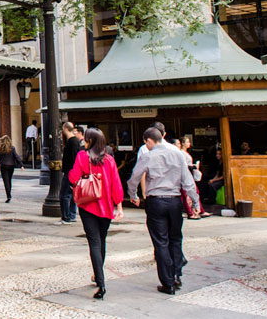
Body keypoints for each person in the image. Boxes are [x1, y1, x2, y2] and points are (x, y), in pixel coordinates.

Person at [127, 127, 199, 295]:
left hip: (156, 201)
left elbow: (133, 178)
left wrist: (133, 194)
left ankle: (167, 282)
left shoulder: (148, 156)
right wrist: (194, 200)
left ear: (149, 141)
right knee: (175, 238)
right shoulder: (177, 153)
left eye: (146, 143)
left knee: (161, 241)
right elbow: (187, 180)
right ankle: (176, 275)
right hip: (174, 200)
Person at [69, 128, 124, 300]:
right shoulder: (109, 159)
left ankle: (100, 282)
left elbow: (73, 178)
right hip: (106, 206)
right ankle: (98, 275)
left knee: (93, 242)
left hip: (88, 205)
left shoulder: (82, 157)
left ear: (90, 141)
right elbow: (116, 183)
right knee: (101, 241)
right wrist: (119, 206)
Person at [59, 122, 81, 224]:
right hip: (72, 172)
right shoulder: (74, 141)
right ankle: (71, 215)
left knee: (64, 195)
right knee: (71, 195)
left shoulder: (72, 142)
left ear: (65, 129)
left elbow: (74, 158)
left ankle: (66, 217)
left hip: (70, 172)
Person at [0, 136, 22, 203]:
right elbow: (16, 156)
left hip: (3, 166)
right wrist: (21, 164)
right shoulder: (12, 148)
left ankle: (8, 195)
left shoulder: (1, 148)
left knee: (6, 181)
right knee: (9, 180)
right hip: (11, 166)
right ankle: (9, 192)